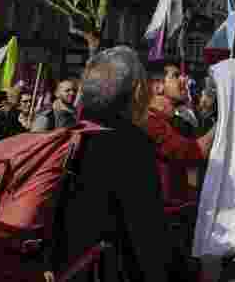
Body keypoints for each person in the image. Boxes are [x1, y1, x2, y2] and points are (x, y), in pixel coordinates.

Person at [55, 45, 170, 282]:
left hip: (70, 270)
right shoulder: (130, 144)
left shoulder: (70, 135)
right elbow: (147, 235)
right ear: (137, 90)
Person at [143, 60, 216, 280]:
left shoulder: (176, 122)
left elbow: (190, 168)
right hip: (164, 222)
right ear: (157, 86)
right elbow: (194, 153)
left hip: (180, 215)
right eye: (176, 76)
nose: (185, 80)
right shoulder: (150, 121)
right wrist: (222, 122)